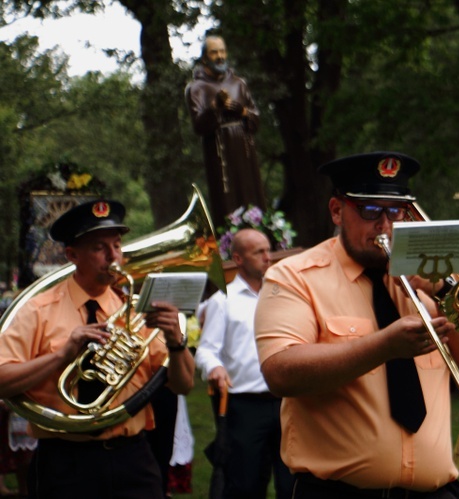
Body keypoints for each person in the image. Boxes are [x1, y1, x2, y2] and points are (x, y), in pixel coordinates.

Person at [254, 151, 459, 498]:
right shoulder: (295, 277)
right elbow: (280, 372)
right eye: (370, 211)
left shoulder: (429, 275)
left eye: (395, 211)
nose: (384, 225)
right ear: (337, 211)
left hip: (436, 492)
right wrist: (383, 347)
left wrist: (446, 289)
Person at [0, 199, 195, 499]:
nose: (113, 256)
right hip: (65, 462)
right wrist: (61, 356)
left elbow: (183, 384)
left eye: (116, 245)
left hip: (133, 458)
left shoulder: (136, 311)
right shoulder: (38, 310)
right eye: (99, 248)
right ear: (72, 255)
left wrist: (176, 342)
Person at [196, 228, 293, 499]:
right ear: (238, 259)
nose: (268, 257)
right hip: (245, 406)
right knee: (246, 484)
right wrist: (214, 368)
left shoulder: (282, 295)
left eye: (268, 250)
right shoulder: (222, 301)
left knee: (293, 482)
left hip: (288, 402)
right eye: (258, 252)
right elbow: (206, 351)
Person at [185, 34, 265, 223]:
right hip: (220, 152)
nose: (220, 56)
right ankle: (231, 240)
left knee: (251, 192)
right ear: (205, 57)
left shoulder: (239, 83)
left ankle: (262, 233)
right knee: (228, 198)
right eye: (214, 52)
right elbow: (198, 126)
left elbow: (256, 118)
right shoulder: (196, 88)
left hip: (245, 149)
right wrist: (215, 107)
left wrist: (243, 111)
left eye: (222, 51)